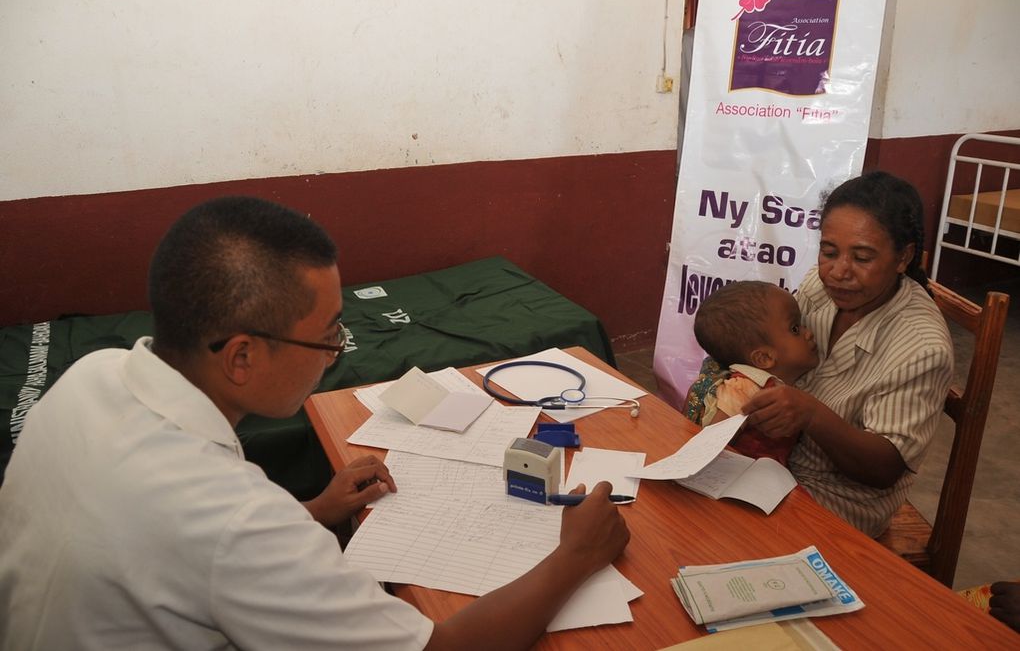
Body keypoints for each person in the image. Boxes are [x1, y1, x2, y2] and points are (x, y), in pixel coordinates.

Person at [0, 196, 630, 650]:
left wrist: (316, 509)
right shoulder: (235, 519)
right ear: (242, 354)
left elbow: (164, 548)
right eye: (328, 338)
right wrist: (573, 557)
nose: (336, 355)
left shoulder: (93, 374)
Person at [742, 171, 954, 537]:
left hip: (839, 500)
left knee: (718, 537)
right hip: (778, 462)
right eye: (829, 251)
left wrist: (810, 414)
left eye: (862, 257)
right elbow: (774, 348)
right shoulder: (819, 286)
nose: (838, 271)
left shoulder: (923, 348)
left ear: (903, 257)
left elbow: (884, 469)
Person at [691, 280, 819, 464]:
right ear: (764, 358)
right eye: (795, 329)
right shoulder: (745, 387)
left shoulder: (785, 381)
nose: (809, 333)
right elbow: (711, 443)